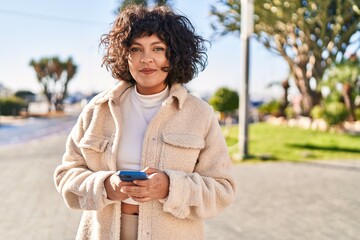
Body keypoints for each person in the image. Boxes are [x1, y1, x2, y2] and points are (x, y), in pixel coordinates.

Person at [54, 4, 236, 240]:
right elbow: (66, 175)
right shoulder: (98, 109)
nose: (146, 59)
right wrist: (107, 185)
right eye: (136, 49)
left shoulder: (200, 114)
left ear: (174, 55)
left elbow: (223, 189)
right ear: (125, 56)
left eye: (158, 49)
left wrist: (170, 186)